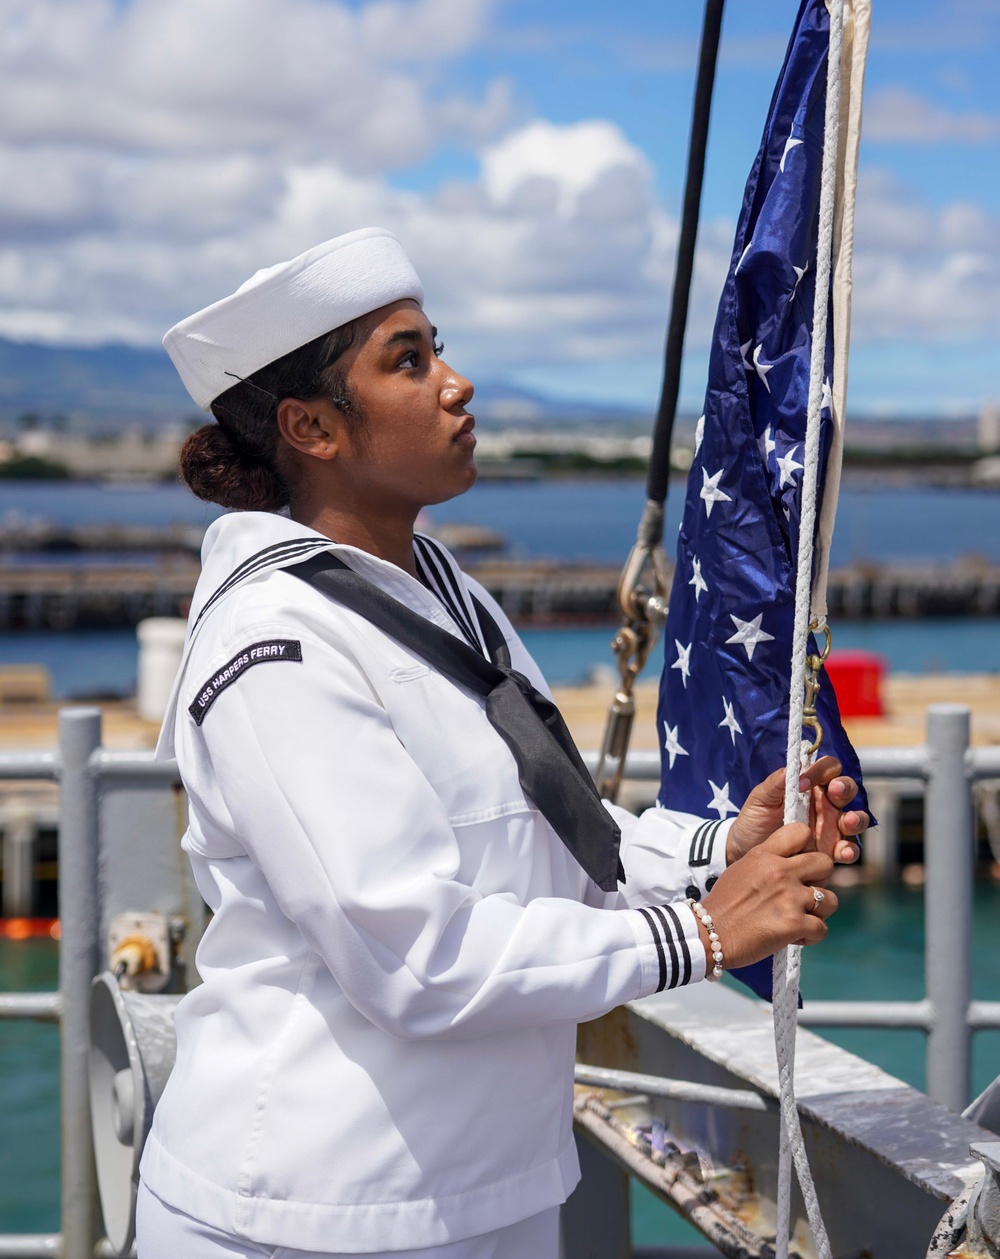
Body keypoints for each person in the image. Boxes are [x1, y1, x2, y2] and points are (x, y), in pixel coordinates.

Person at [138, 228, 868, 1259]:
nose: (456, 381)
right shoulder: (278, 645)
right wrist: (699, 935)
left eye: (437, 347)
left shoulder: (435, 589)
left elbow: (540, 830)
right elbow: (415, 955)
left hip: (486, 1190)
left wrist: (716, 851)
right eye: (408, 360)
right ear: (310, 425)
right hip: (315, 1211)